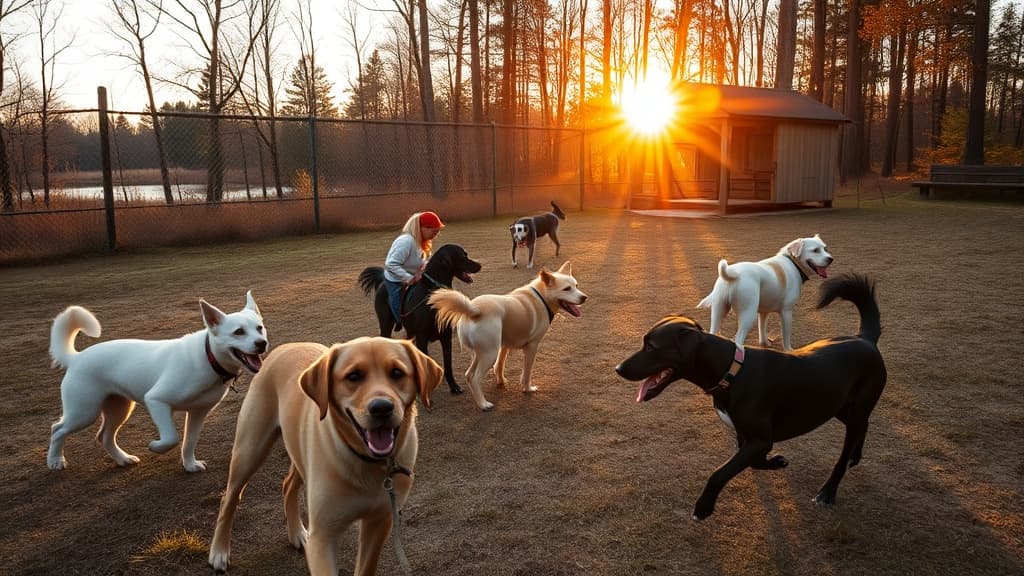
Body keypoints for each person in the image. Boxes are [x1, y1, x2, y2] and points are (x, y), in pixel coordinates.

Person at [383, 211, 445, 330]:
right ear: (422, 228)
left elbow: (423, 260)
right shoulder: (405, 241)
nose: (435, 235)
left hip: (414, 277)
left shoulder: (424, 242)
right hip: (396, 280)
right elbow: (391, 264)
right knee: (401, 312)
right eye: (434, 231)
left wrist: (425, 267)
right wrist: (409, 278)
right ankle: (401, 322)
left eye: (437, 232)